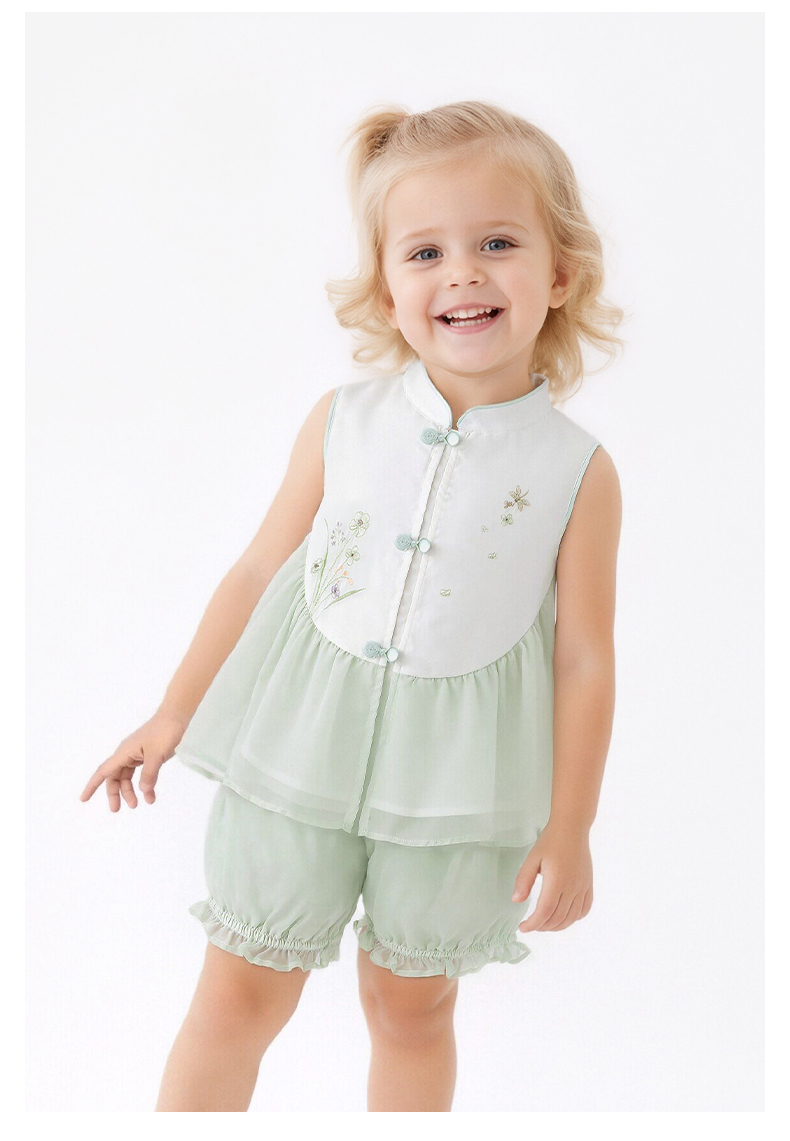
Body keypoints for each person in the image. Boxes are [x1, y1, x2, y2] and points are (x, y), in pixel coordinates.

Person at [80, 99, 624, 1112]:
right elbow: (256, 569)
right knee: (237, 995)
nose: (461, 274)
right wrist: (171, 711)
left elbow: (585, 657)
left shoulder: (578, 471)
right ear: (386, 290)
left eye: (497, 243)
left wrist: (573, 825)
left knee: (411, 1009)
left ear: (560, 273)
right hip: (296, 747)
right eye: (425, 252)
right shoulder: (342, 420)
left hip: (458, 782)